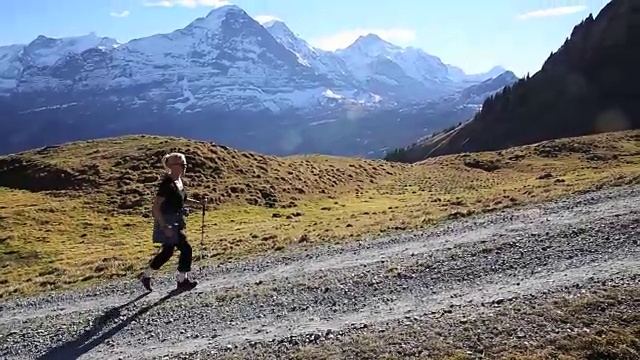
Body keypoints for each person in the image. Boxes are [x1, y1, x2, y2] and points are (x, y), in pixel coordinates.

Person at [139, 152, 204, 292]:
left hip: (175, 221)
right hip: (168, 223)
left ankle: (146, 275)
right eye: (182, 164)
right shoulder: (167, 184)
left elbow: (182, 199)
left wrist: (198, 203)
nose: (184, 167)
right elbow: (156, 207)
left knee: (167, 252)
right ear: (173, 166)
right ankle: (182, 280)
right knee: (186, 248)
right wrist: (164, 226)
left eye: (185, 164)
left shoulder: (178, 182)